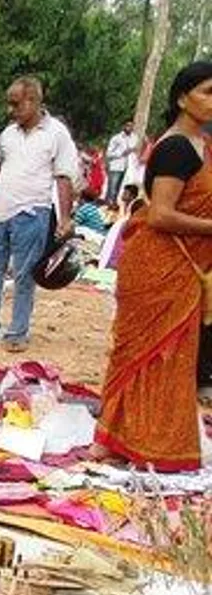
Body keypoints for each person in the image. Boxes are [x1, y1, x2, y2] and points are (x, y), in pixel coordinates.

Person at [96, 62, 212, 471]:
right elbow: (161, 214)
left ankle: (153, 442)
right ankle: (117, 440)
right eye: (207, 92)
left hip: (185, 269)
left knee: (175, 354)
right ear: (182, 98)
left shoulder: (204, 146)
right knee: (144, 353)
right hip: (157, 263)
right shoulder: (176, 147)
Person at [0, 77, 77, 353]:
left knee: (25, 275)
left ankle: (17, 332)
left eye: (15, 104)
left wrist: (64, 218)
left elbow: (64, 178)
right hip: (1, 211)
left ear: (34, 101)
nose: (10, 110)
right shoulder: (8, 134)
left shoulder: (57, 133)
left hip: (32, 211)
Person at [105, 119, 137, 204]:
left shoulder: (134, 138)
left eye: (131, 126)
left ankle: (115, 206)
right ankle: (109, 206)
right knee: (112, 188)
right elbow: (108, 153)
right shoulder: (116, 138)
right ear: (124, 126)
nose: (129, 128)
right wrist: (121, 153)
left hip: (128, 167)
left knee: (120, 189)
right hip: (116, 166)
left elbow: (134, 151)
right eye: (128, 125)